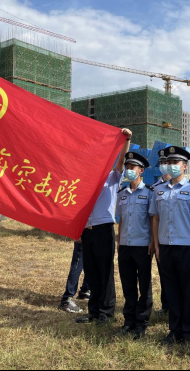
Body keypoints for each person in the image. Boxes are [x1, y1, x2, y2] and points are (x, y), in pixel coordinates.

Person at [150, 146, 190, 347]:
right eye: (169, 162)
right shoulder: (158, 190)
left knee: (188, 290)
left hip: (186, 247)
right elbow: (155, 219)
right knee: (171, 289)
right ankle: (174, 330)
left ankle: (189, 332)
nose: (171, 166)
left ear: (185, 166)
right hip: (165, 246)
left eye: (175, 163)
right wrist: (157, 245)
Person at [76, 128, 132, 325]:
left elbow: (122, 159)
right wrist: (77, 229)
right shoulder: (84, 180)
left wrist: (126, 139)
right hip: (87, 230)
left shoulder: (112, 177)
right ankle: (93, 311)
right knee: (91, 272)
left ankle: (106, 313)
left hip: (104, 229)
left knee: (105, 272)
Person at [115, 152, 155, 340]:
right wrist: (119, 241)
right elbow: (122, 219)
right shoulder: (122, 194)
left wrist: (153, 242)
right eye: (127, 167)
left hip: (142, 245)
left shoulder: (149, 193)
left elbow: (153, 219)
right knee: (128, 284)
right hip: (125, 245)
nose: (129, 170)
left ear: (141, 171)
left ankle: (142, 322)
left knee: (144, 284)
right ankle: (129, 320)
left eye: (133, 167)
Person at [152, 148, 171, 316]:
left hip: (181, 240)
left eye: (167, 162)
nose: (164, 165)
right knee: (164, 274)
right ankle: (166, 305)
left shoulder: (188, 187)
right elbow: (154, 217)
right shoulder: (155, 188)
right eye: (162, 163)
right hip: (162, 239)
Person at [58, 241, 90, 314]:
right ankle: (67, 298)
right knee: (78, 262)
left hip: (93, 235)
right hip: (82, 236)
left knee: (90, 259)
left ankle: (85, 290)